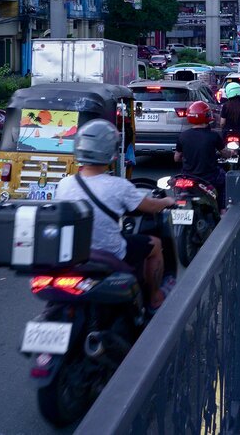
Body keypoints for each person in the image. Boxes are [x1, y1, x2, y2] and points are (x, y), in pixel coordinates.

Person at [56, 119, 175, 314]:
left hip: (74, 252)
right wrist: (166, 202)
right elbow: (151, 206)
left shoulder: (65, 183)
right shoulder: (118, 186)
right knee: (155, 245)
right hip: (109, 251)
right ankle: (154, 297)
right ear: (111, 153)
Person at [174, 100, 226, 210]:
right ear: (207, 116)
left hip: (187, 177)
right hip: (209, 177)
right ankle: (222, 210)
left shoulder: (183, 136)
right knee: (223, 178)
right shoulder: (213, 136)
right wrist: (231, 153)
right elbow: (225, 153)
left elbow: (176, 158)